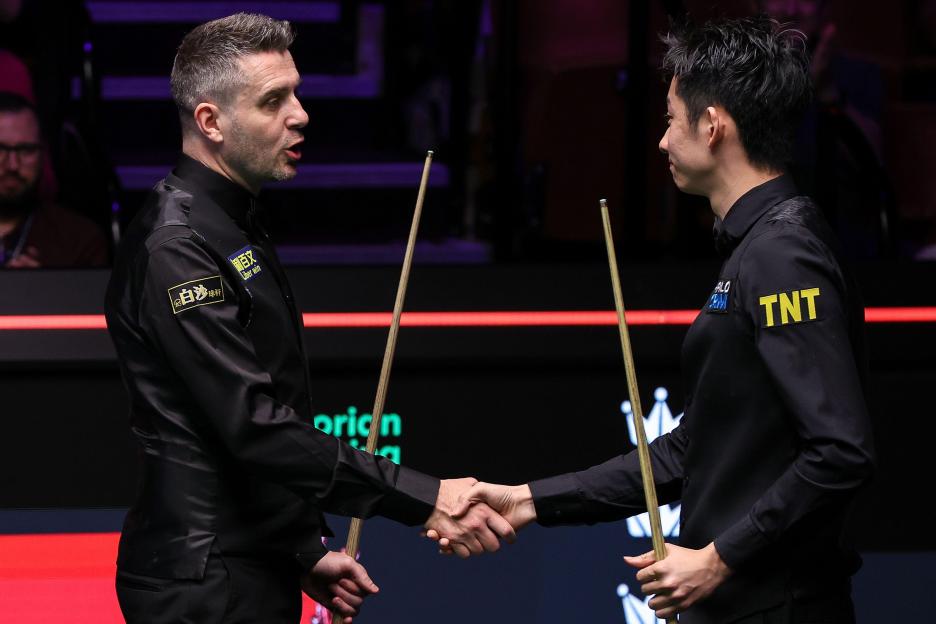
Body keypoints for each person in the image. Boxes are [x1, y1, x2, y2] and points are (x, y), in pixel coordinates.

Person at [432, 16, 875, 624]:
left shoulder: (781, 253)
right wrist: (527, 501)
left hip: (779, 609)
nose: (663, 141)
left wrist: (720, 559)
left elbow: (840, 451)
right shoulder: (758, 249)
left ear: (713, 124)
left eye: (670, 118)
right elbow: (691, 451)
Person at [104, 13, 513, 624]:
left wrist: (300, 549)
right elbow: (255, 428)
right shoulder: (178, 247)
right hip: (202, 583)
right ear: (210, 121)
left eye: (295, 92)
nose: (300, 114)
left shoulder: (231, 223)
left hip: (241, 563)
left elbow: (240, 433)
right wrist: (428, 499)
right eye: (274, 101)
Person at [0, 91, 107, 267]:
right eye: (1, 149)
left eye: (26, 150)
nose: (12, 165)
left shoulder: (79, 239)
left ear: (44, 154)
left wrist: (44, 288)